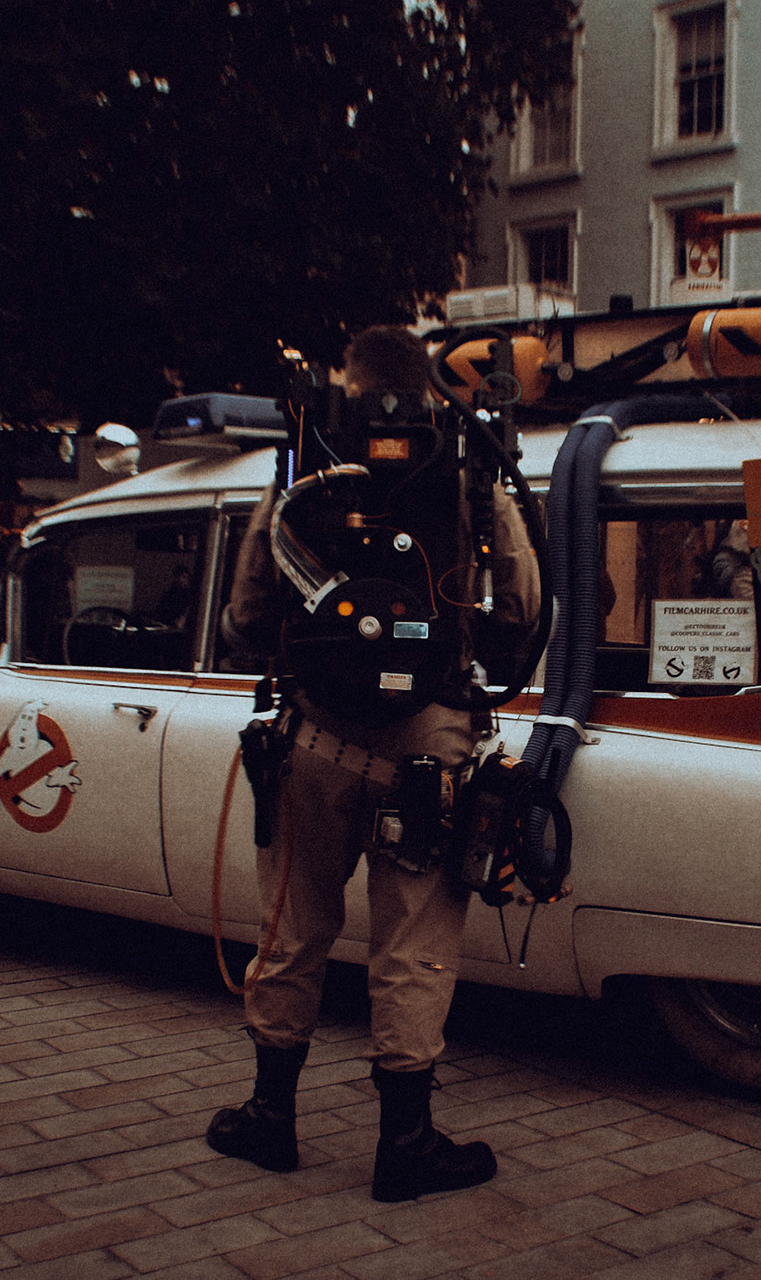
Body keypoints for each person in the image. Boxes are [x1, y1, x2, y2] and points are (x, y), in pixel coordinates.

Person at [207, 328, 540, 1202]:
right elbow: (524, 605)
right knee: (414, 942)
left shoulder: (302, 470)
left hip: (312, 740)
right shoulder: (469, 473)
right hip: (430, 746)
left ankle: (270, 1117)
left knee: (292, 927)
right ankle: (406, 1143)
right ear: (429, 388)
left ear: (347, 384)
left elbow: (245, 616)